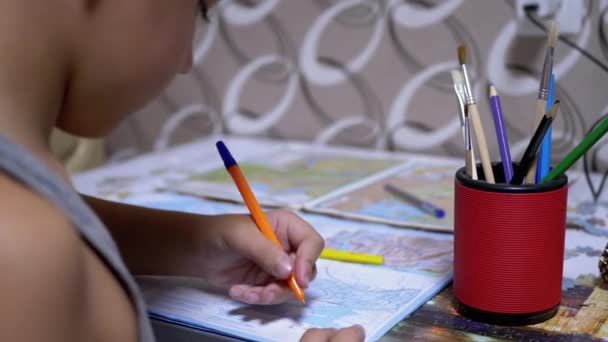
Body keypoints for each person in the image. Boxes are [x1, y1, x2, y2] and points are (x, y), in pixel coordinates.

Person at [0, 1, 365, 341]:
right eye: (198, 10)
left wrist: (192, 242)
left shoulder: (27, 213)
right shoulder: (23, 250)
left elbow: (68, 216)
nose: (186, 61)